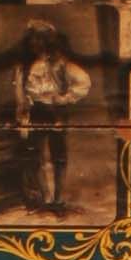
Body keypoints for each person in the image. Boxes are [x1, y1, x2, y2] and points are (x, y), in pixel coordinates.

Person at [12, 20, 91, 214]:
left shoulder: (60, 64)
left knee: (59, 156)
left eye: (40, 39)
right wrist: (22, 110)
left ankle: (58, 200)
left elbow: (83, 81)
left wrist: (64, 97)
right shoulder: (23, 66)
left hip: (56, 112)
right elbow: (19, 92)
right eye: (32, 39)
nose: (35, 43)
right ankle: (45, 199)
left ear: (49, 41)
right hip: (35, 112)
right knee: (37, 155)